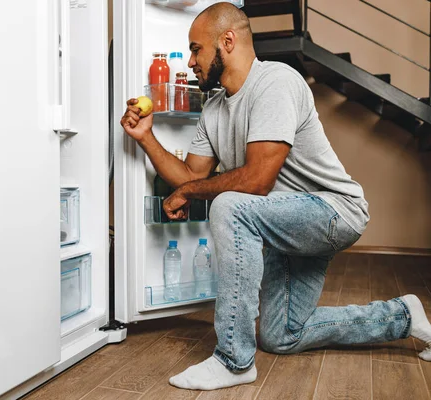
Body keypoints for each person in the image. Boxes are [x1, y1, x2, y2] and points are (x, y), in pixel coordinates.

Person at [120, 1, 431, 392]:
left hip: (334, 211)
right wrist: (146, 137)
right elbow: (190, 176)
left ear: (227, 41)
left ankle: (233, 361)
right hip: (284, 225)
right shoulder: (214, 108)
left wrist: (188, 191)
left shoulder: (276, 82)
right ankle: (403, 315)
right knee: (282, 335)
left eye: (196, 48)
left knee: (230, 204)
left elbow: (257, 180)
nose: (189, 61)